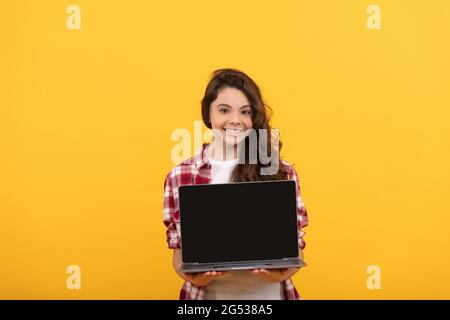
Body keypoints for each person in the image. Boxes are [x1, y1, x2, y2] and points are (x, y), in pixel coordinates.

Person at [163, 68, 309, 300]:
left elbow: (296, 249)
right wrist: (195, 276)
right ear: (208, 114)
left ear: (254, 118)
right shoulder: (180, 175)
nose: (235, 120)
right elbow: (179, 255)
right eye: (224, 110)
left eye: (245, 112)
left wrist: (278, 274)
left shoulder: (281, 171)